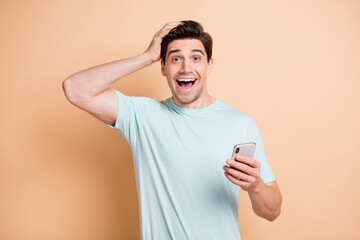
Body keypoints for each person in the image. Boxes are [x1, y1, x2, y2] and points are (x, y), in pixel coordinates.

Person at [62, 20, 282, 240]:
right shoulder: (142, 116)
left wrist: (255, 186)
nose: (186, 68)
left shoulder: (240, 123)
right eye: (176, 58)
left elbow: (272, 212)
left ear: (209, 65)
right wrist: (146, 57)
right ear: (163, 68)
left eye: (196, 58)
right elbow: (75, 89)